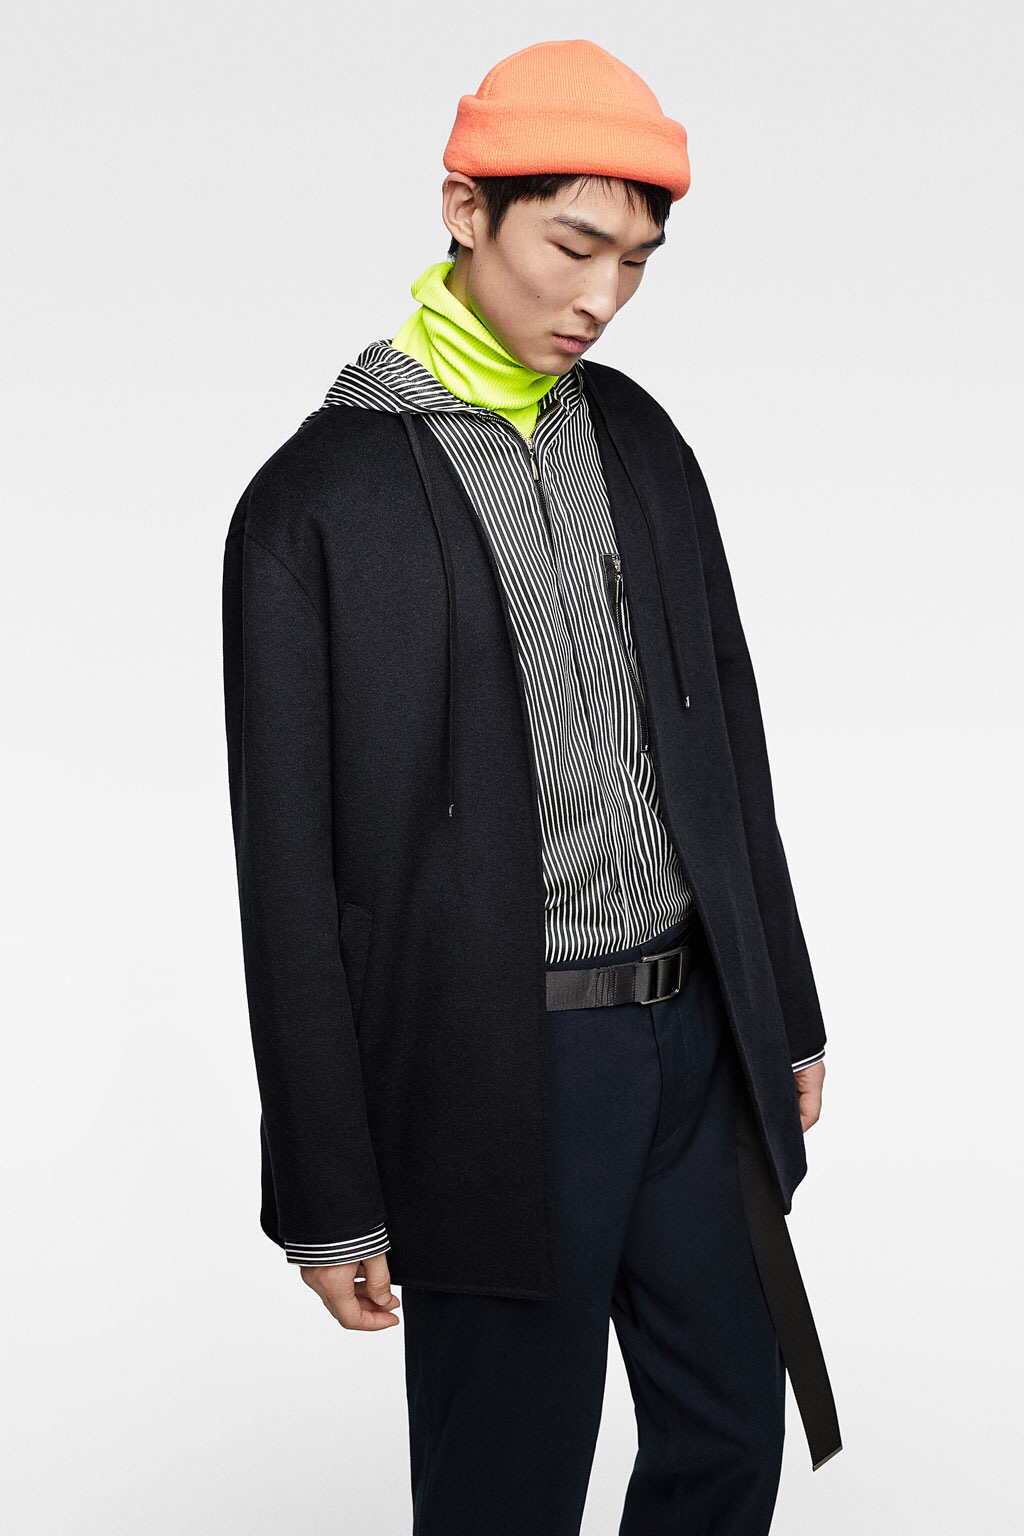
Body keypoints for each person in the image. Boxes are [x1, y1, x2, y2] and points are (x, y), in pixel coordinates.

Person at [222, 37, 842, 1535]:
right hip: (496, 1067)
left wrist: (784, 1009)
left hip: (692, 1040)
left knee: (728, 1432)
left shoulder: (641, 440)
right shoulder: (314, 504)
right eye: (572, 247)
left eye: (634, 263)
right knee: (507, 1480)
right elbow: (286, 876)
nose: (601, 297)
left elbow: (729, 746)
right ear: (465, 210)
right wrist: (327, 1190)